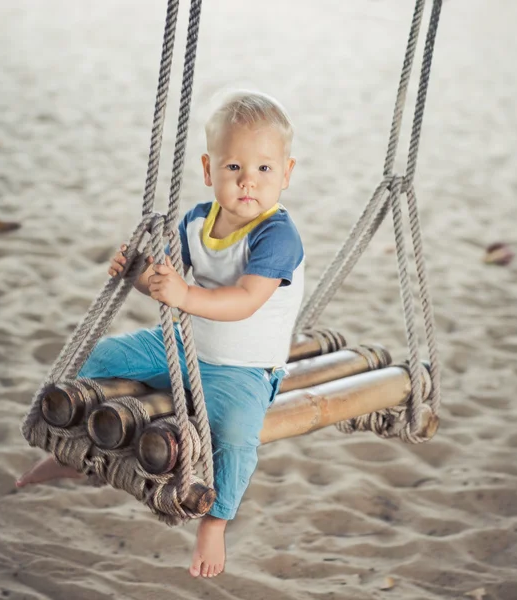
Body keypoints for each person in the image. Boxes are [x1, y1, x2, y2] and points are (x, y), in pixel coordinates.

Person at [16, 90, 305, 578]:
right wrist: (137, 272)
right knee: (100, 359)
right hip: (181, 347)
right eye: (234, 168)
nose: (248, 183)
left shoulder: (276, 235)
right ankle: (78, 458)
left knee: (234, 434)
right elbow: (164, 280)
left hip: (243, 368)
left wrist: (183, 296)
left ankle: (215, 521)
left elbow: (245, 299)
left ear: (287, 174)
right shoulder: (195, 219)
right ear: (209, 170)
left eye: (264, 169)